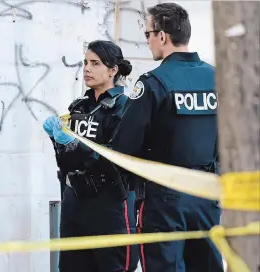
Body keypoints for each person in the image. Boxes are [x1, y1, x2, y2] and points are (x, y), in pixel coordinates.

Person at [111, 3, 224, 272]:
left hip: (164, 197)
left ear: (163, 36)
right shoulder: (217, 78)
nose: (148, 41)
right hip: (207, 192)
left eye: (148, 34)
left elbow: (124, 146)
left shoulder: (153, 83)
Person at [43, 40, 139, 272]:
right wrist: (58, 142)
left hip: (110, 203)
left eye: (95, 63)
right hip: (76, 204)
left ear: (113, 70)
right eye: (86, 62)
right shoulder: (79, 108)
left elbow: (117, 158)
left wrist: (76, 145)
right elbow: (67, 162)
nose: (87, 68)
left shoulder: (126, 109)